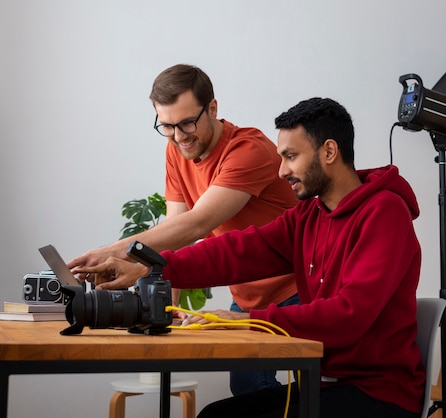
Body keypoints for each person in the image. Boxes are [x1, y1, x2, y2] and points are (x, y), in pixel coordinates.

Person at [76, 97, 424, 418]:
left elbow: (351, 314)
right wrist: (148, 268)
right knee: (217, 415)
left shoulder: (383, 213)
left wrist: (244, 320)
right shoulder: (309, 216)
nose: (282, 171)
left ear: (329, 151)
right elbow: (236, 253)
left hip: (378, 395)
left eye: (290, 156)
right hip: (324, 383)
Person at [67, 64, 299, 396]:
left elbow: (197, 223)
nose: (179, 136)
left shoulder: (249, 151)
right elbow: (173, 235)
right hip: (245, 296)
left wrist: (109, 251)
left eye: (188, 122)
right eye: (168, 126)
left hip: (295, 290)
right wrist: (163, 313)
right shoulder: (177, 151)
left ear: (213, 109)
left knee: (262, 393)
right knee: (248, 391)